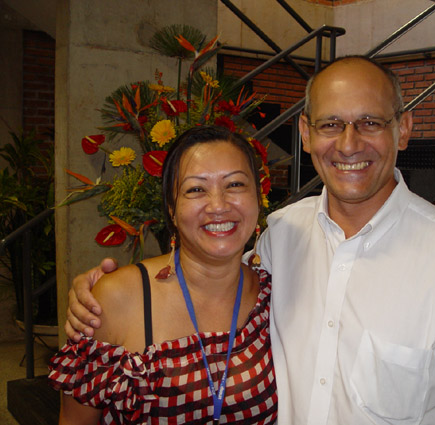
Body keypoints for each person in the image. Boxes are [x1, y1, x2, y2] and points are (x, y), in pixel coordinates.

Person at [65, 56, 435, 424]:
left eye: (370, 122)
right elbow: (206, 271)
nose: (349, 144)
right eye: (331, 124)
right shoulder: (281, 235)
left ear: (404, 129)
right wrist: (104, 297)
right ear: (305, 134)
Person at [49, 126, 277, 424]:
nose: (218, 205)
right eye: (196, 189)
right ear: (171, 208)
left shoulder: (272, 296)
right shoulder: (117, 298)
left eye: (235, 184)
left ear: (258, 197)